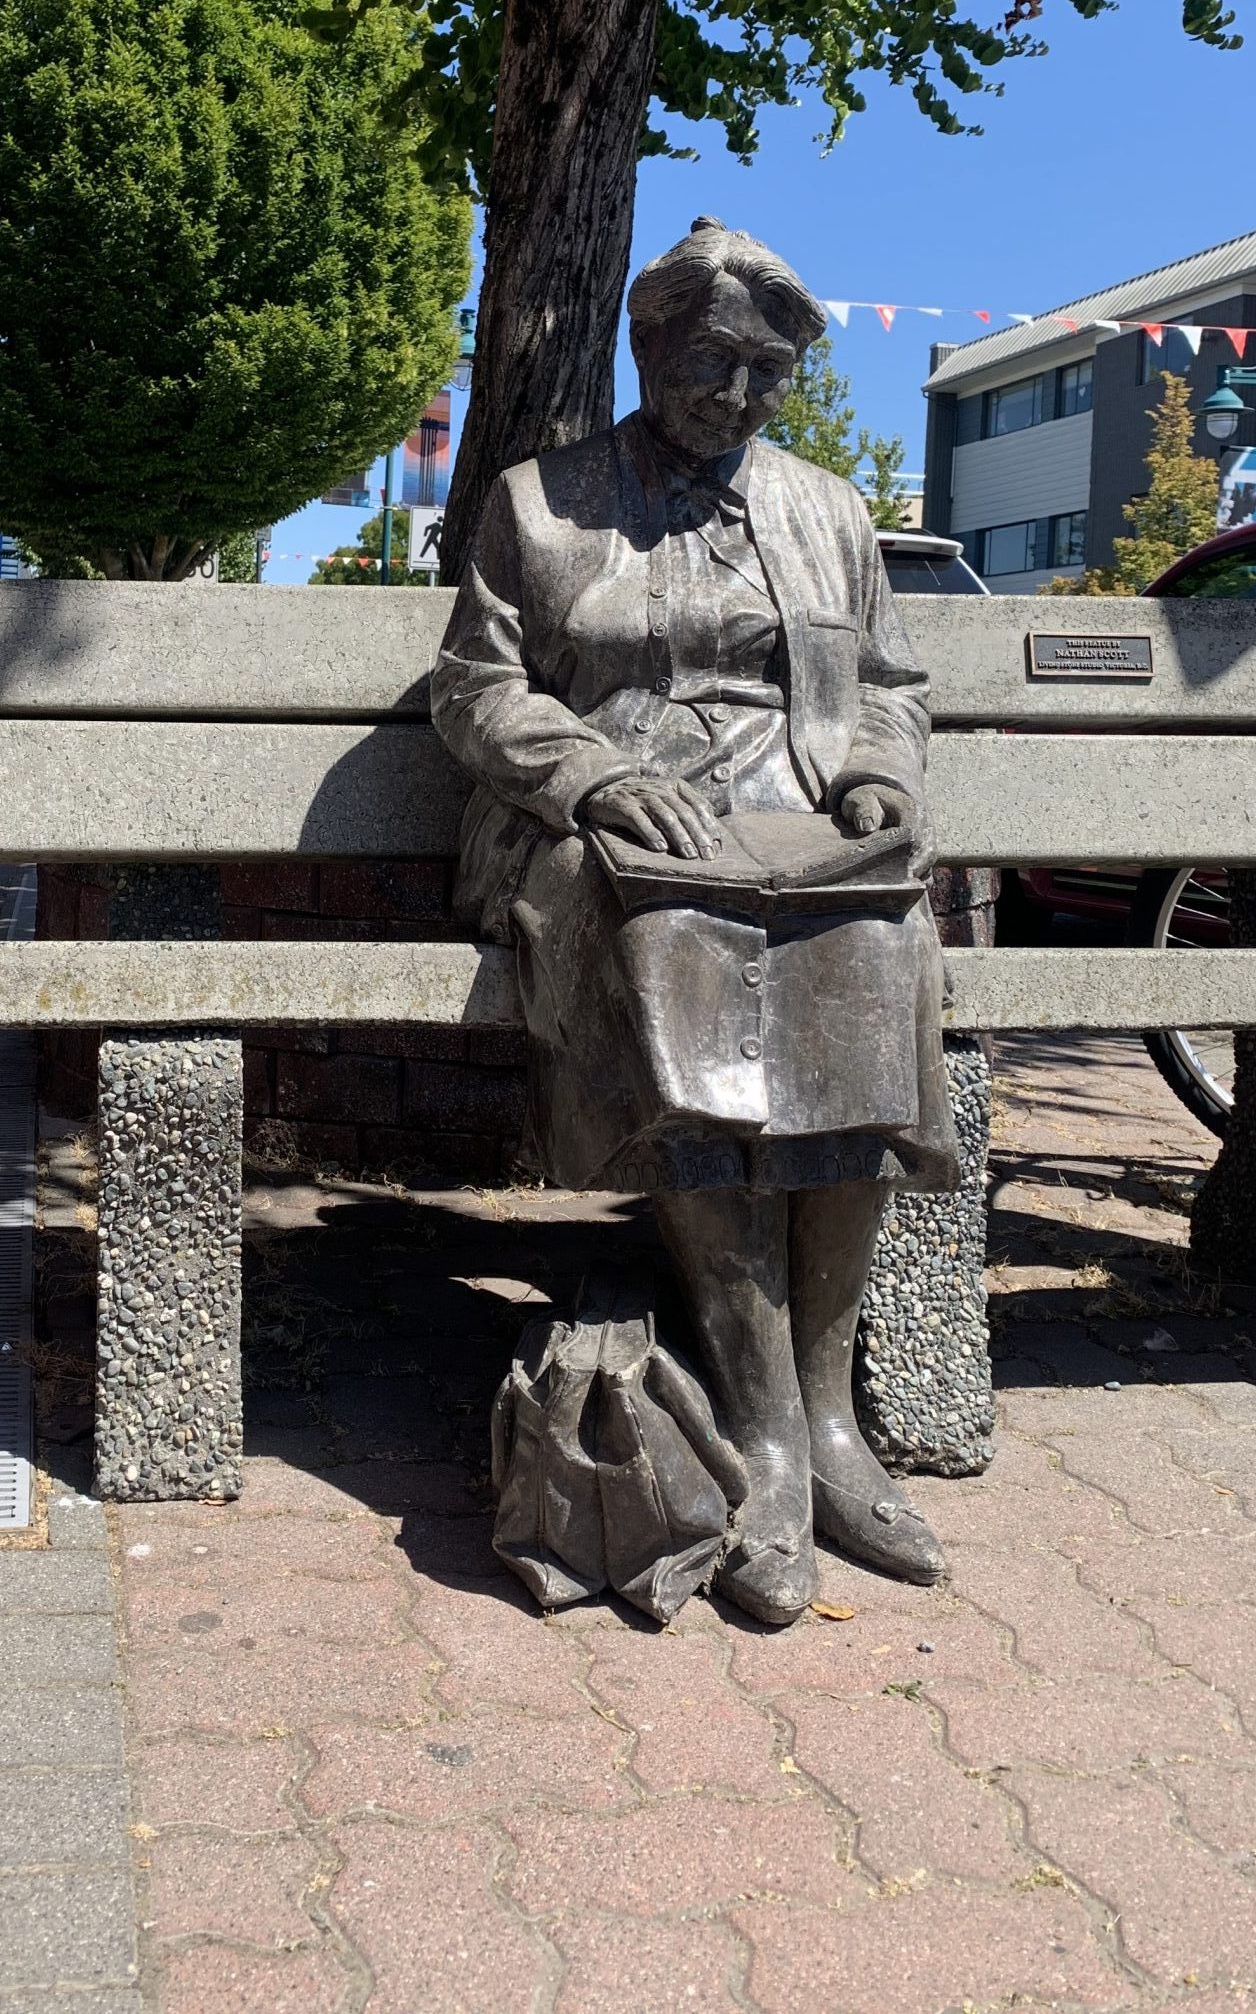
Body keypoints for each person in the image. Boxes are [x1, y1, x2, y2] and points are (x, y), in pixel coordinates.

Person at [432, 216, 958, 1625]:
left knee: (885, 938)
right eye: (713, 361)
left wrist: (875, 776)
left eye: (767, 373)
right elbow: (478, 691)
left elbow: (895, 687)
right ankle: (764, 1424)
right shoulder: (539, 503)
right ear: (650, 342)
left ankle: (830, 1424)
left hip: (795, 826)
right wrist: (599, 778)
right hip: (597, 833)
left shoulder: (828, 511)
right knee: (671, 943)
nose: (736, 396)